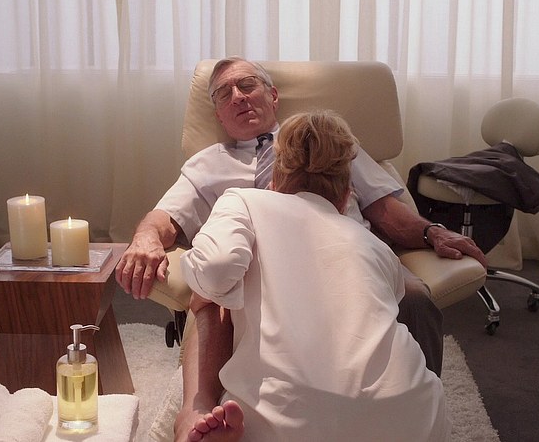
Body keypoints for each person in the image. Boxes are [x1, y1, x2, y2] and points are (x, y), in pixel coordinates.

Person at [114, 57, 485, 438]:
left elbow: (385, 209)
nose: (238, 97)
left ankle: (394, 392)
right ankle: (201, 410)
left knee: (415, 296)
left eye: (247, 85)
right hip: (254, 264)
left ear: (273, 96)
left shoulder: (325, 142)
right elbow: (165, 217)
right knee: (217, 294)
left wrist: (432, 232)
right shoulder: (206, 164)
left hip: (351, 256)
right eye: (224, 94)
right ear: (218, 115)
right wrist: (146, 238)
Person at [179, 110, 451, 441]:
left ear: (274, 181)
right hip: (412, 414)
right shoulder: (377, 249)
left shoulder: (245, 201)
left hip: (283, 418)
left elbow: (217, 268)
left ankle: (196, 411)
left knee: (208, 296)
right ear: (346, 196)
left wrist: (207, 288)